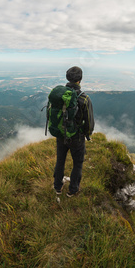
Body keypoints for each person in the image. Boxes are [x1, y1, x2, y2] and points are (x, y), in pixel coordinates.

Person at [54, 66, 95, 197]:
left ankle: (57, 187)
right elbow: (89, 121)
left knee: (60, 160)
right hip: (77, 137)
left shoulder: (60, 95)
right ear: (80, 80)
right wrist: (87, 134)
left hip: (61, 135)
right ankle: (73, 190)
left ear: (67, 78)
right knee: (77, 163)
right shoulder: (84, 99)